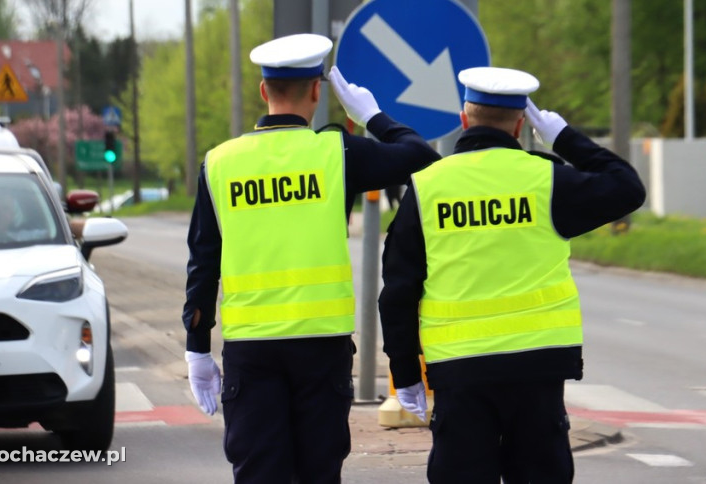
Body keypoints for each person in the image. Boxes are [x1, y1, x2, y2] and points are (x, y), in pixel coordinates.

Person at [182, 33, 439, 484]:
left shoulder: (220, 163)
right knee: (319, 473)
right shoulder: (337, 155)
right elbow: (420, 158)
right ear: (317, 92)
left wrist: (197, 346)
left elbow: (203, 261)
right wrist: (371, 115)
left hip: (252, 349)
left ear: (264, 91)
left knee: (260, 473)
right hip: (322, 349)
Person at [379, 66, 646, 483]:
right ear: (521, 125)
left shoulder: (429, 186)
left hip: (460, 372)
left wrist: (406, 372)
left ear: (464, 118)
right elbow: (628, 187)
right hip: (537, 371)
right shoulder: (547, 180)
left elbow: (398, 289)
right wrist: (564, 138)